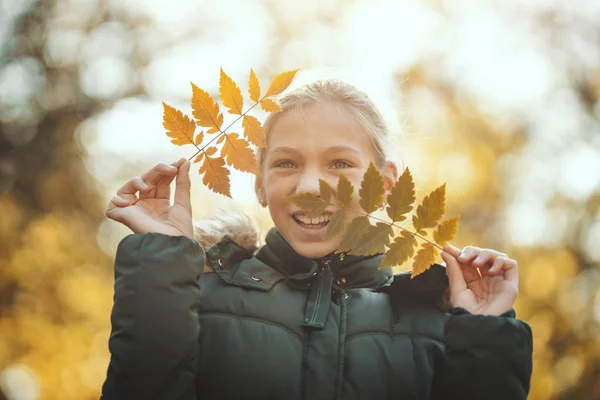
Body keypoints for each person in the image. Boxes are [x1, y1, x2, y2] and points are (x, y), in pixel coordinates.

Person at [100, 80, 533, 400]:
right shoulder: (196, 297)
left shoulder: (441, 324)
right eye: (287, 163)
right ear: (260, 185)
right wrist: (160, 264)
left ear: (385, 185)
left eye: (340, 163)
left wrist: (484, 336)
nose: (310, 186)